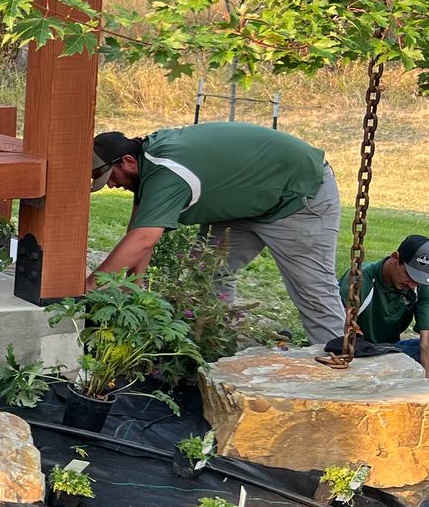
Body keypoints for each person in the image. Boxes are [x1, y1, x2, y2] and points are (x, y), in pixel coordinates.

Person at [90, 122, 341, 346]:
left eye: (111, 177)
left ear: (127, 161)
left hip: (298, 194)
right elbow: (138, 232)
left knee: (314, 292)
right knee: (206, 275)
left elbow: (144, 239)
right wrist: (132, 288)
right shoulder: (148, 162)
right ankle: (214, 347)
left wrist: (89, 286)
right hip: (247, 199)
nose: (112, 185)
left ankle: (337, 369)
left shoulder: (166, 171)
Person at [337, 235, 429, 373]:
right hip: (359, 351)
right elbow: (339, 329)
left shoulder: (419, 286)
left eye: (419, 279)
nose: (412, 284)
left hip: (390, 348)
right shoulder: (360, 279)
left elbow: (425, 343)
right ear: (394, 258)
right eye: (409, 275)